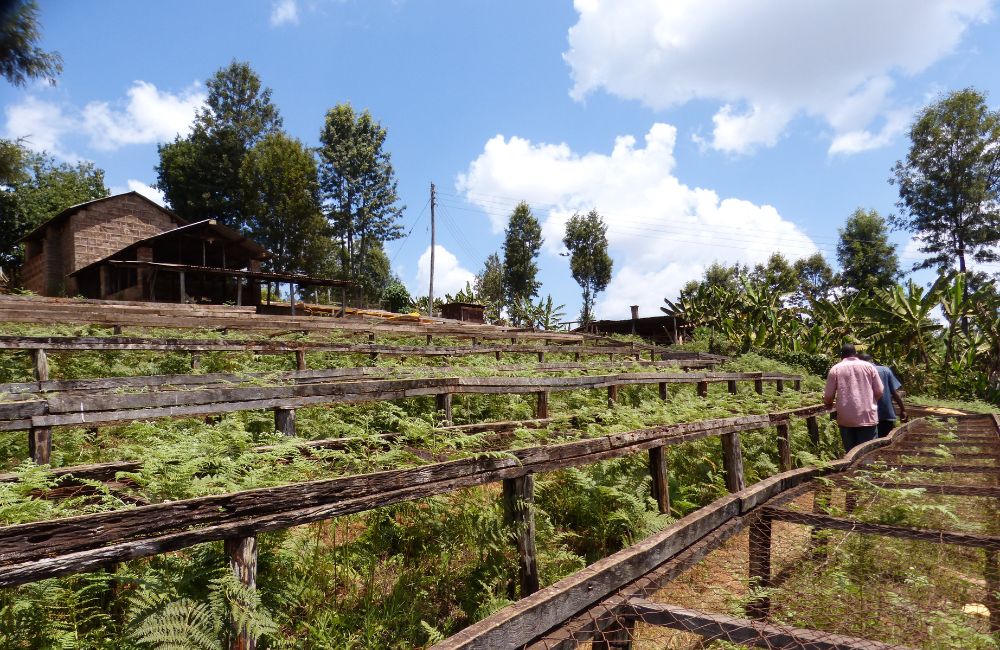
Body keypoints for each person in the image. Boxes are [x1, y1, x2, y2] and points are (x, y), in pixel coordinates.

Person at [823, 343, 883, 452]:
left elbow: (828, 396)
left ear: (842, 355)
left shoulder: (835, 369)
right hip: (867, 415)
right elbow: (879, 391)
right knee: (868, 453)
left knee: (850, 453)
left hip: (846, 418)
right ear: (855, 354)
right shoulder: (869, 367)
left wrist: (828, 403)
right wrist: (871, 402)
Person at [858, 353, 906, 437]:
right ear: (871, 360)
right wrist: (903, 409)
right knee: (886, 442)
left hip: (867, 416)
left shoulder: (860, 372)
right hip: (886, 413)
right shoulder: (885, 370)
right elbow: (894, 393)